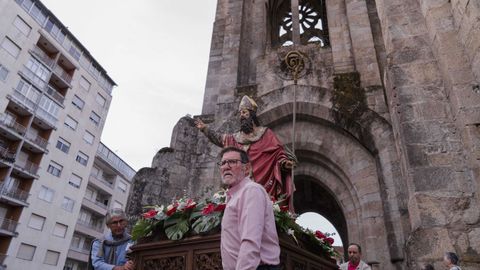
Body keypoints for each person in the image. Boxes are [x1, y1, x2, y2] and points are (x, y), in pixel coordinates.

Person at [196, 95, 295, 209]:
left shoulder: (266, 134)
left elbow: (278, 153)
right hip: (241, 183)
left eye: (244, 112)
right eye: (240, 113)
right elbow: (220, 139)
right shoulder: (235, 138)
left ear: (252, 115)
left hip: (263, 182)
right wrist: (205, 129)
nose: (241, 116)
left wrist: (284, 162)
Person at [219, 146, 281, 270]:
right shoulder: (234, 195)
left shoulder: (251, 190)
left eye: (232, 162)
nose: (226, 166)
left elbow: (250, 240)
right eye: (223, 163)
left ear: (246, 168)